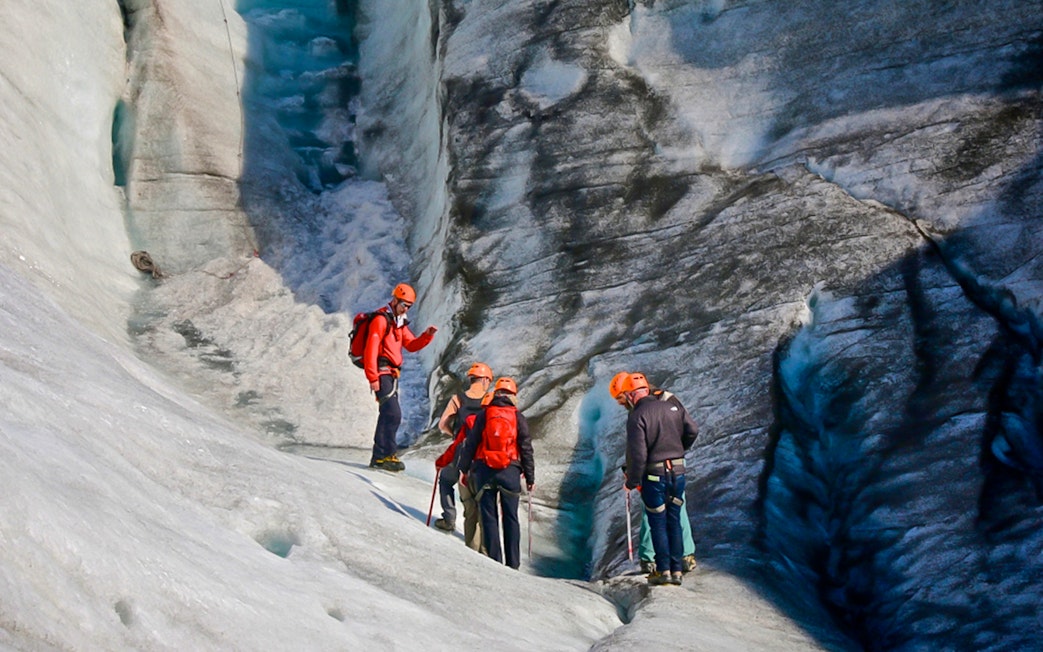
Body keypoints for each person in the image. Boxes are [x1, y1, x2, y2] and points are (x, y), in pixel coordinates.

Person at [608, 372, 699, 575]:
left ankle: (652, 559)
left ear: (629, 393)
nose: (621, 404)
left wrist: (633, 476)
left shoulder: (639, 411)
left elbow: (637, 450)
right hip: (675, 465)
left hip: (653, 468)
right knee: (676, 509)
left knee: (653, 512)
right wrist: (678, 451)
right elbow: (691, 428)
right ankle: (684, 556)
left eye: (621, 399)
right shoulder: (668, 399)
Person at [457, 377, 535, 569]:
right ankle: (513, 564)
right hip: (510, 472)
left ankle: (495, 563)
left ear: (496, 394)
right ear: (513, 396)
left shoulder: (484, 415)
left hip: (485, 471)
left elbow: (471, 443)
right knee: (511, 518)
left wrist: (464, 469)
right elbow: (526, 448)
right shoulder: (518, 417)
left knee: (489, 518)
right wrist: (530, 477)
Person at [363, 283, 437, 471]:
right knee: (393, 413)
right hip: (381, 372)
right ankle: (385, 455)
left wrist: (426, 336)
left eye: (409, 306)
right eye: (404, 304)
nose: (406, 309)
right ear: (394, 300)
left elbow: (411, 345)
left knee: (388, 413)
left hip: (392, 373)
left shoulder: (398, 322)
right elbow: (371, 349)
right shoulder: (381, 320)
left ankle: (381, 456)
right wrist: (372, 377)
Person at [432, 362, 493, 551]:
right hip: (482, 455)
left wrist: (455, 434)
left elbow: (442, 424)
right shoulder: (490, 399)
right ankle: (485, 543)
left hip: (460, 452)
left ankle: (449, 518)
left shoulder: (457, 399)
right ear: (485, 380)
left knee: (445, 480)